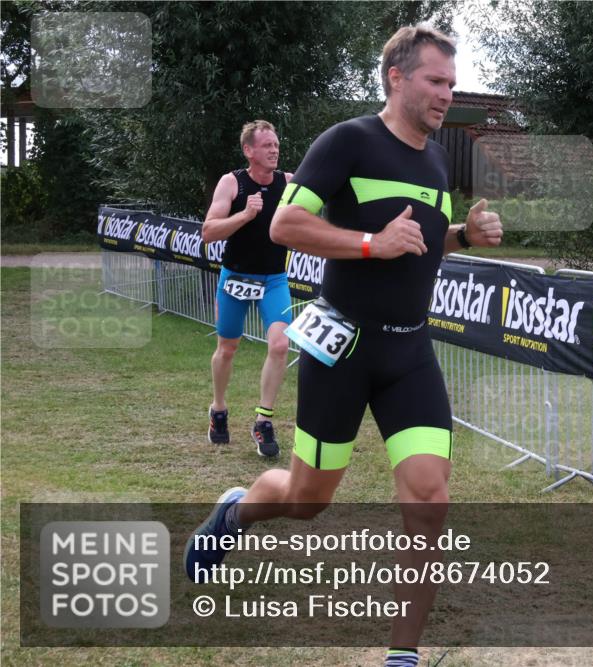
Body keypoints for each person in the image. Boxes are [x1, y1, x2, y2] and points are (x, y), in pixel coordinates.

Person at [185, 25, 502, 667]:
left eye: (452, 82)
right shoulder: (348, 141)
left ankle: (402, 656)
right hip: (344, 349)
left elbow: (418, 243)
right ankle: (236, 511)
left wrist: (463, 235)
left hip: (409, 354)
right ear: (397, 77)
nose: (447, 94)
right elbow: (286, 224)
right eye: (436, 81)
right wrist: (368, 244)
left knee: (430, 498)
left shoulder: (437, 161)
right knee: (307, 500)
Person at [202, 120, 293, 458]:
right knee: (227, 348)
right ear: (249, 150)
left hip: (274, 279)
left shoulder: (288, 183)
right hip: (236, 278)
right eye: (267, 145)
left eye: (276, 144)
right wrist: (244, 215)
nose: (274, 150)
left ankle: (263, 421)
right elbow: (208, 232)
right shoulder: (232, 183)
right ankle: (218, 409)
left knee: (280, 345)